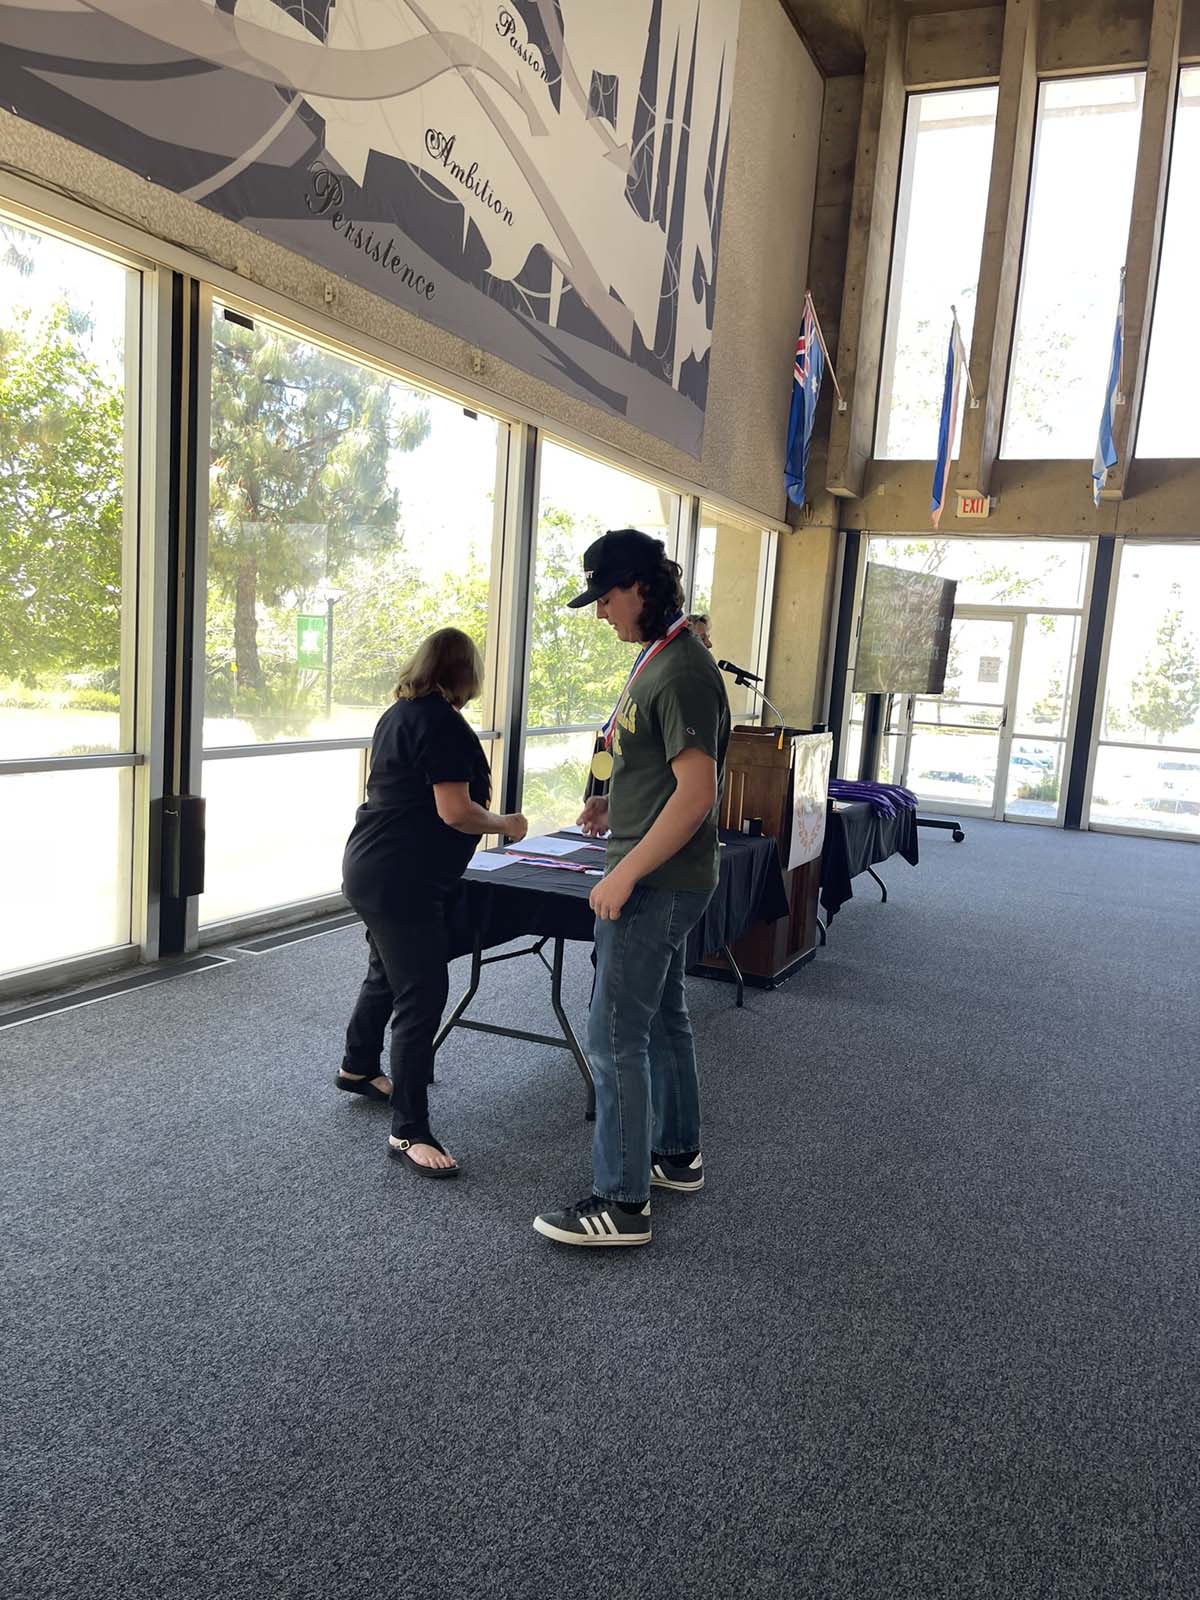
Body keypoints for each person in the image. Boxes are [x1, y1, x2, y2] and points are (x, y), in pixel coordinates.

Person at [533, 530, 730, 1247]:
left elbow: (698, 793)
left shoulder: (679, 670)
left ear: (640, 587)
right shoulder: (663, 660)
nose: (600, 612)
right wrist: (616, 804)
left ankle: (621, 1204)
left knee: (615, 1036)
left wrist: (624, 871)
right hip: (665, 875)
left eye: (606, 597)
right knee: (664, 1018)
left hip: (656, 884)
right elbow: (666, 778)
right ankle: (676, 1154)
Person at [337, 627, 527, 1178]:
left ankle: (357, 1066)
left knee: (387, 971)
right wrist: (507, 824)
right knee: (422, 993)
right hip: (402, 878)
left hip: (373, 866)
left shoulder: (398, 714)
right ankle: (409, 1131)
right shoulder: (441, 724)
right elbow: (455, 811)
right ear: (466, 675)